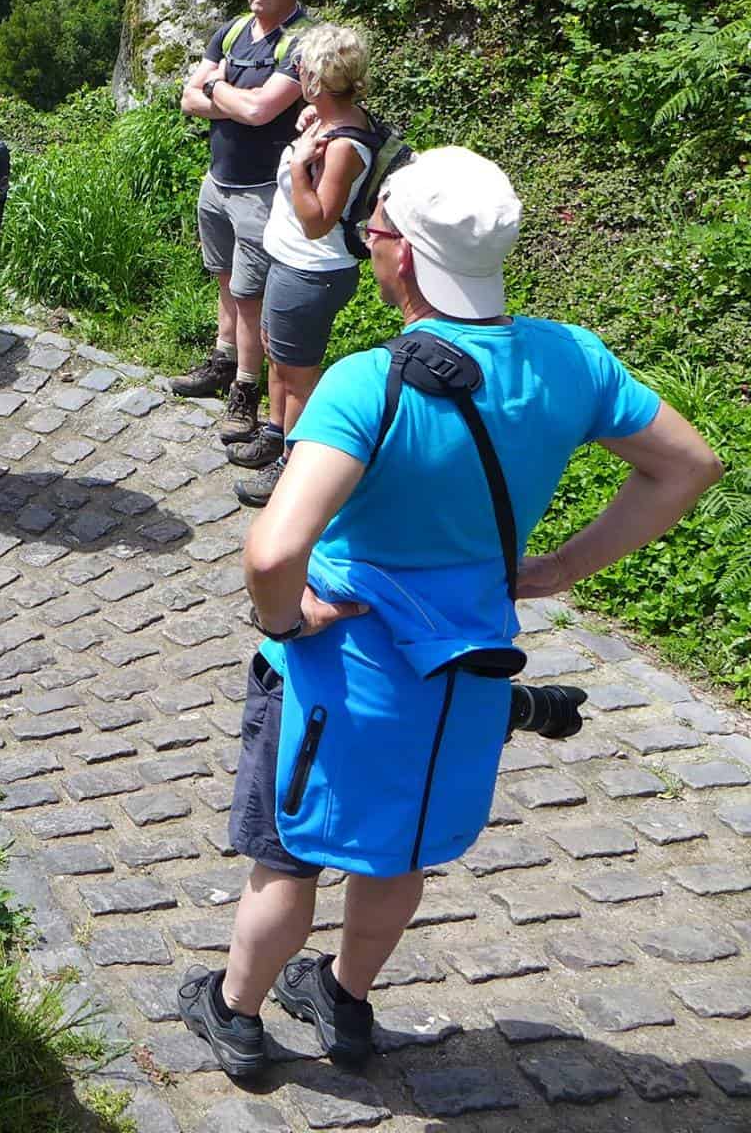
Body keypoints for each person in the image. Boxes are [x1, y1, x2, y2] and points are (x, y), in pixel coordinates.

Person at [179, 147, 721, 1084]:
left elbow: (271, 550)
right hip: (468, 671)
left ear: (406, 257)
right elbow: (688, 465)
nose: (371, 241)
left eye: (377, 228)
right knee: (403, 846)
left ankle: (236, 1014)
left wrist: (283, 619)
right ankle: (346, 1005)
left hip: (339, 675)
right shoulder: (568, 359)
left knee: (287, 857)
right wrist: (558, 569)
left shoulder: (368, 381)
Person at [173, 0, 310, 449]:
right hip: (219, 181)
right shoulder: (230, 32)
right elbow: (187, 99)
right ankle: (222, 361)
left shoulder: (302, 43)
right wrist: (226, 94)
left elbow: (261, 112)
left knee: (250, 297)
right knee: (226, 280)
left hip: (262, 191)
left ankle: (246, 393)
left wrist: (215, 88)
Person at [231, 23, 375, 508]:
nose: (295, 73)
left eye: (301, 68)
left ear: (316, 77)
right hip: (289, 263)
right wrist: (312, 120)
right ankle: (275, 434)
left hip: (312, 271)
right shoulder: (329, 123)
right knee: (280, 359)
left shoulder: (343, 147)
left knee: (299, 375)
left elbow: (317, 222)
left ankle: (295, 467)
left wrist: (297, 167)